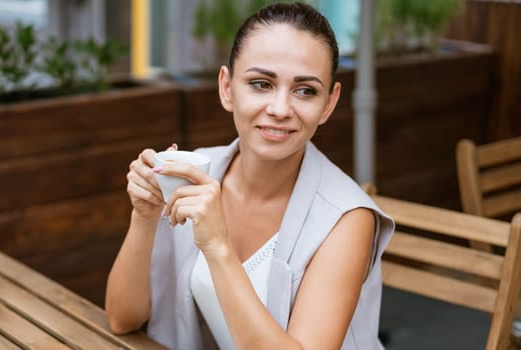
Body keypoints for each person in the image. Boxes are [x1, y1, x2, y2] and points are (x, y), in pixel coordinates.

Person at [105, 2, 394, 349]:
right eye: (261, 84)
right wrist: (144, 215)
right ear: (227, 88)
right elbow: (123, 318)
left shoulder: (348, 218)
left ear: (329, 104)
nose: (280, 109)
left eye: (305, 91)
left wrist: (217, 247)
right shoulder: (194, 173)